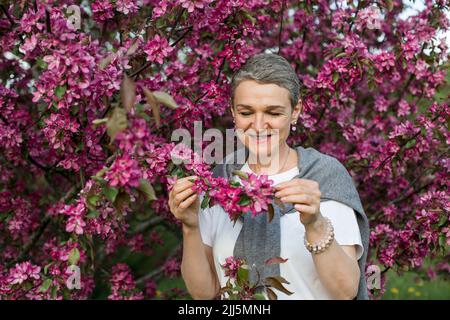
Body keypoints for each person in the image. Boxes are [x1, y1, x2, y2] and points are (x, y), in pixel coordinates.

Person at [168, 53, 369, 300]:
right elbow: (204, 293)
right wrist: (190, 226)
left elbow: (345, 291)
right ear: (233, 112)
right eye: (246, 112)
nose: (259, 125)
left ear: (295, 111)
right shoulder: (218, 181)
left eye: (273, 113)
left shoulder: (324, 177)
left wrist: (315, 223)